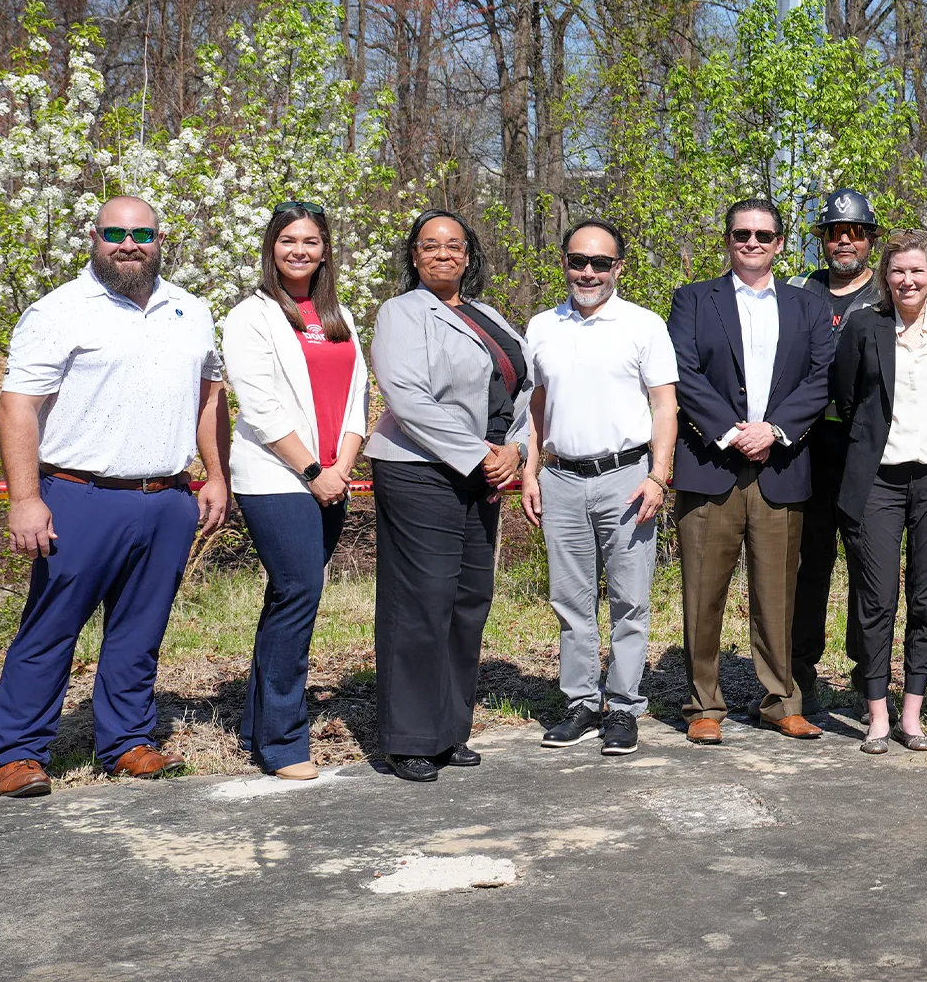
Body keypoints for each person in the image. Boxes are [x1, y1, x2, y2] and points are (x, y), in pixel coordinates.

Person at [0, 197, 230, 799]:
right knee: (51, 628)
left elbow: (209, 398)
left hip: (167, 496)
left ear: (159, 239)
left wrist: (216, 475)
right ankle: (17, 750)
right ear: (94, 238)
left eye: (142, 233)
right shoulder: (59, 311)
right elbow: (17, 405)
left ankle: (125, 740)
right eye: (115, 234)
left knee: (140, 628)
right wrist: (25, 499)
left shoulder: (191, 309)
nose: (129, 244)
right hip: (79, 495)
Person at [366, 209, 529, 782]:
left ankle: (449, 728)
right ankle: (410, 736)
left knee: (467, 601)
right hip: (422, 471)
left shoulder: (488, 314)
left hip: (483, 474)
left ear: (468, 255)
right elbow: (407, 396)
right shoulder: (402, 313)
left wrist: (517, 450)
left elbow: (525, 390)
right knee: (419, 602)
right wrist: (477, 453)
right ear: (414, 255)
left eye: (454, 246)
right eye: (430, 246)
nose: (443, 255)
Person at [668, 198, 835, 745]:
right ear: (727, 240)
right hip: (711, 462)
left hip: (780, 467)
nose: (753, 243)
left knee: (777, 593)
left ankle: (781, 700)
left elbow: (820, 377)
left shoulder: (807, 307)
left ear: (781, 243)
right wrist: (733, 431)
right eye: (742, 234)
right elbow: (684, 373)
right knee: (703, 592)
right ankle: (703, 703)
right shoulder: (693, 301)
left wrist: (775, 431)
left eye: (764, 235)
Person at [220, 202, 369, 781]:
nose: (299, 250)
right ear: (271, 248)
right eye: (288, 241)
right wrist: (313, 471)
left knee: (288, 598)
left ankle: (258, 721)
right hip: (279, 480)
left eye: (311, 241)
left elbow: (357, 394)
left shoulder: (338, 314)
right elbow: (259, 408)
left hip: (333, 477)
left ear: (326, 250)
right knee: (299, 593)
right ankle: (282, 742)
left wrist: (344, 466)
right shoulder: (250, 317)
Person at [522, 220, 679, 757]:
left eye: (600, 263)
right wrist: (530, 469)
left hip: (627, 479)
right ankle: (582, 703)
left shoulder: (644, 325)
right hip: (560, 477)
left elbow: (664, 405)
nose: (587, 272)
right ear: (564, 263)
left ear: (618, 268)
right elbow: (536, 405)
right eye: (577, 261)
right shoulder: (542, 326)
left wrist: (659, 475)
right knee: (570, 599)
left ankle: (625, 706)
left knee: (630, 600)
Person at [831, 230, 927, 753]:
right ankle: (876, 715)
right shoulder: (863, 326)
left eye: (917, 271)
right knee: (876, 599)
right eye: (897, 271)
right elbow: (847, 399)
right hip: (878, 483)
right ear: (885, 277)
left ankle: (911, 713)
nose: (907, 280)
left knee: (926, 600)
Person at [788, 188, 883, 714]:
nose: (843, 241)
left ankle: (866, 677)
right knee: (810, 563)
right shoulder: (800, 290)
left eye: (854, 232)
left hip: (867, 447)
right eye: (833, 232)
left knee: (869, 564)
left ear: (871, 238)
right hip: (806, 445)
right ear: (821, 240)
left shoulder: (888, 295)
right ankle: (800, 674)